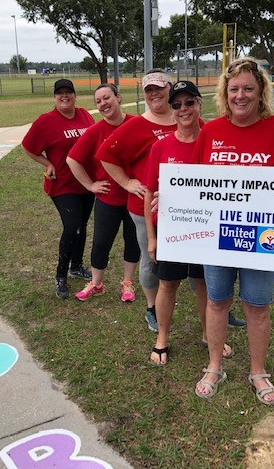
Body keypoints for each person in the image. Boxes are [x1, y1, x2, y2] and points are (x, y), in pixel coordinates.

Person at [192, 57, 274, 403]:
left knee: (257, 306)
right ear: (224, 93)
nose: (240, 95)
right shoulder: (211, 132)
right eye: (234, 89)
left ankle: (258, 371)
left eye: (248, 89)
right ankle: (214, 366)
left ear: (261, 93)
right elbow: (196, 182)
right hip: (218, 234)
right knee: (217, 301)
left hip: (261, 235)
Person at [144, 81, 233, 365]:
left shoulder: (214, 142)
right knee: (168, 285)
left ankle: (209, 335)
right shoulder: (161, 147)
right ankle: (162, 338)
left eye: (189, 103)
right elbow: (149, 192)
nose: (184, 109)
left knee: (203, 284)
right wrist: (152, 237)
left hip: (205, 228)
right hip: (171, 229)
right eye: (177, 105)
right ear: (171, 111)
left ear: (199, 105)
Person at [96, 69, 176, 332]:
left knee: (198, 260)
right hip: (146, 208)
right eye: (148, 90)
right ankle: (152, 307)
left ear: (170, 88)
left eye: (159, 88)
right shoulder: (137, 125)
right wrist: (127, 182)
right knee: (151, 258)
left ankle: (218, 307)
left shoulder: (186, 117)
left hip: (185, 207)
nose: (154, 94)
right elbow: (106, 154)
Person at [22, 78, 95, 299]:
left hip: (86, 182)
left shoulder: (84, 115)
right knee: (71, 226)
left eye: (68, 92)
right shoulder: (46, 122)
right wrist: (48, 163)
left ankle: (76, 266)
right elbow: (28, 147)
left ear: (75, 95)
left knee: (81, 226)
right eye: (60, 93)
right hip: (62, 183)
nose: (65, 96)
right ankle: (61, 275)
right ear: (55, 97)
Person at [66, 83, 140, 303]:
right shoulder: (96, 131)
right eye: (98, 101)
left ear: (118, 97)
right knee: (101, 243)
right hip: (108, 198)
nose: (103, 104)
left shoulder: (137, 124)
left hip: (135, 197)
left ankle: (128, 283)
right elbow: (72, 159)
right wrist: (90, 186)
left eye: (107, 98)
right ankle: (96, 283)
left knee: (132, 241)